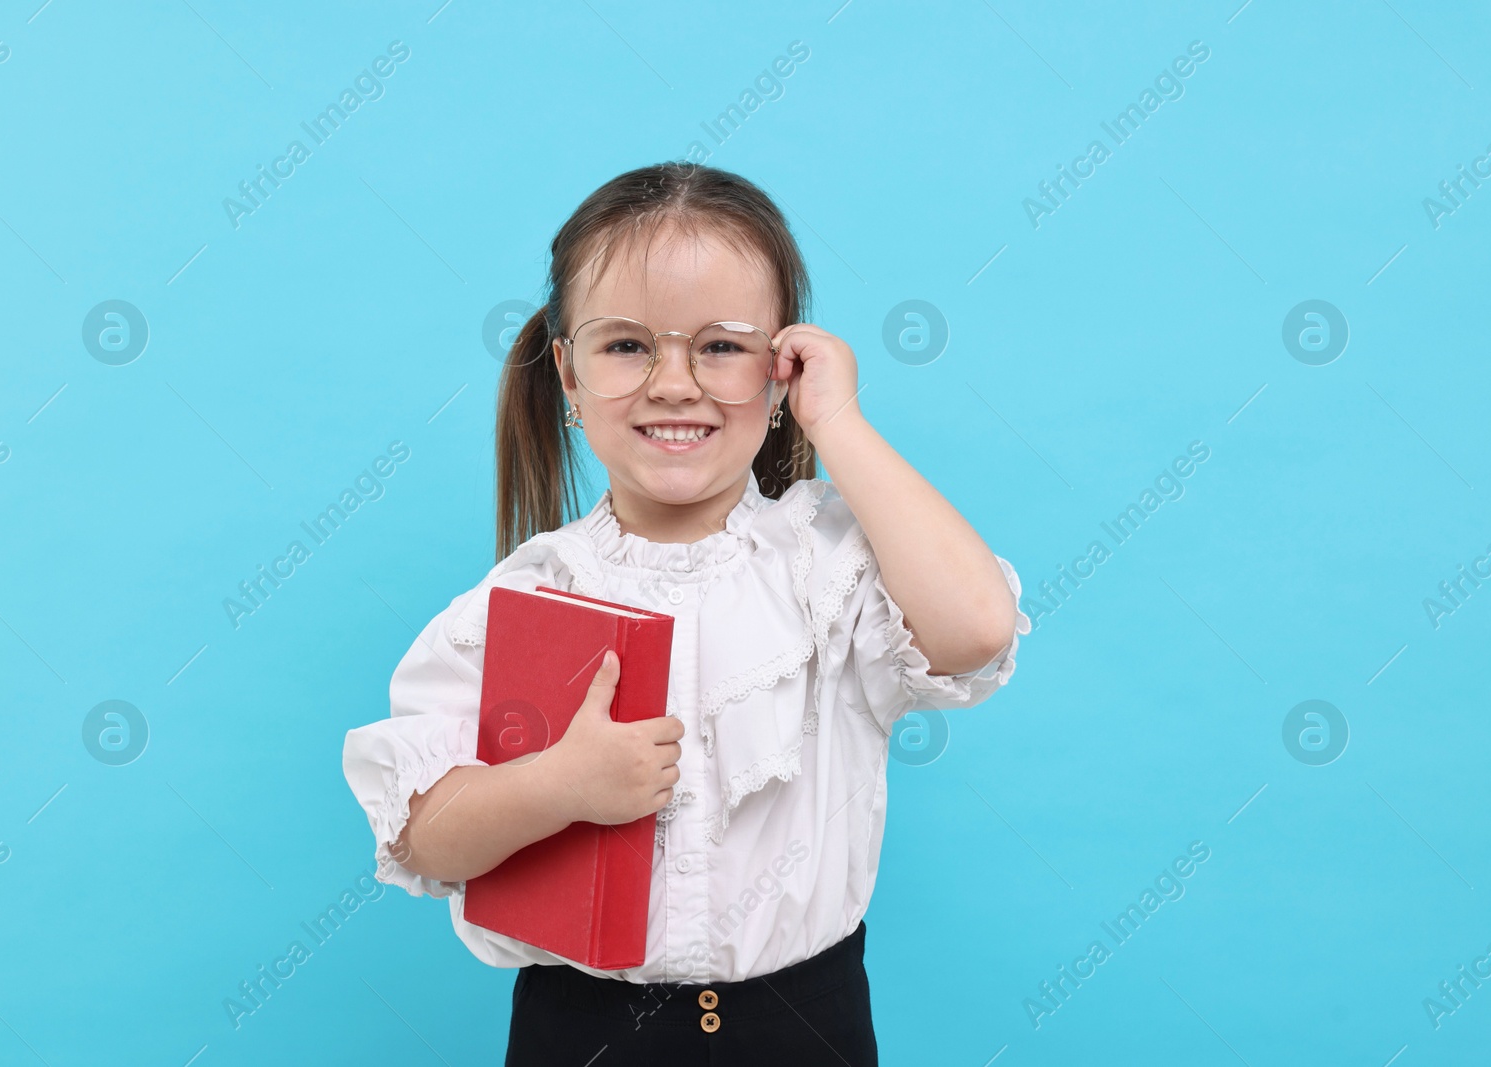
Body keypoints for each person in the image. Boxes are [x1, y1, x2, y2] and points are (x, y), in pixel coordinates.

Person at [341, 161, 1029, 1065]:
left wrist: (841, 422)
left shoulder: (826, 566)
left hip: (806, 1027)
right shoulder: (526, 595)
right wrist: (559, 786)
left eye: (722, 345)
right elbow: (422, 834)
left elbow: (976, 628)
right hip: (579, 1033)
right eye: (626, 345)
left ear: (781, 372)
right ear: (568, 375)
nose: (673, 382)